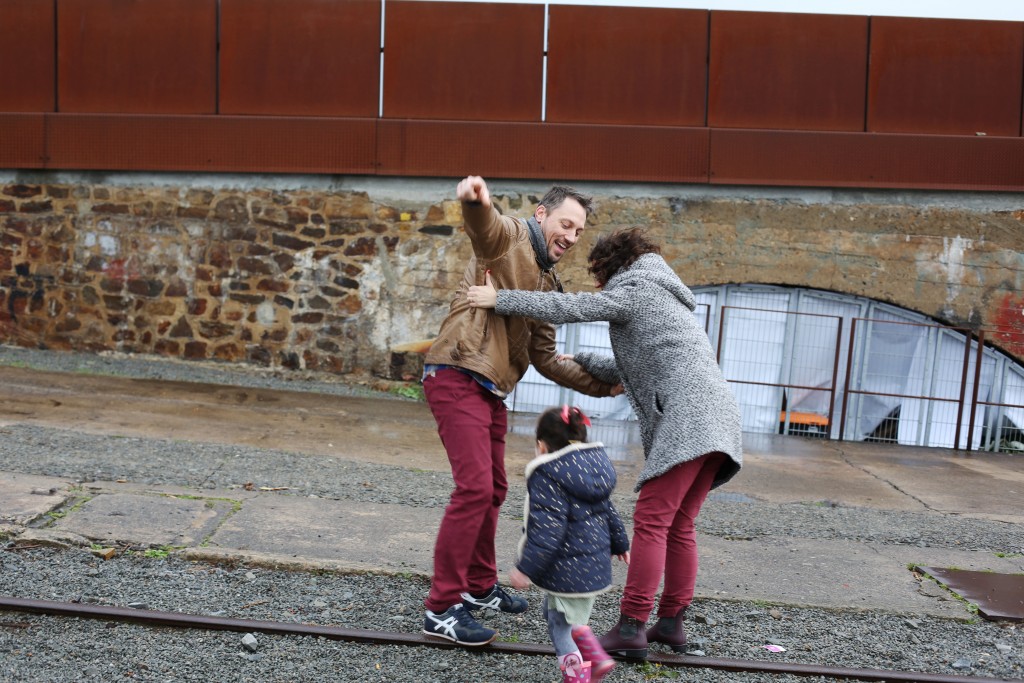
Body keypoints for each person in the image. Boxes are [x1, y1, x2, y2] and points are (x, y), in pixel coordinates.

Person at [467, 226, 743, 659]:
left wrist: (499, 300)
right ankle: (670, 624)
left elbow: (571, 306)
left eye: (598, 273)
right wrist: (579, 361)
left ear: (613, 265)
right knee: (680, 524)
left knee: (653, 522)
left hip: (690, 419)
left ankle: (632, 627)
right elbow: (633, 365)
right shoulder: (663, 293)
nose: (599, 284)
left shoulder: (636, 289)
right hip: (721, 419)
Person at [421, 176, 623, 647]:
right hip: (458, 371)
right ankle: (441, 608)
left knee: (492, 488)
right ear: (541, 215)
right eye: (566, 225)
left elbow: (548, 357)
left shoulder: (549, 283)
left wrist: (604, 386)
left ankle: (478, 586)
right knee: (473, 489)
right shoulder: (510, 237)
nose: (571, 238)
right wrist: (476, 203)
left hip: (490, 389)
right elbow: (484, 229)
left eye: (578, 232)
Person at [511, 405, 630, 683]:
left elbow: (547, 530)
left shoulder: (547, 474)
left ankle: (584, 667)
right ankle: (586, 648)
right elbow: (608, 510)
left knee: (562, 625)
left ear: (541, 446)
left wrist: (525, 568)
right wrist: (621, 542)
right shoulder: (592, 470)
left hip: (566, 567)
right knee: (553, 612)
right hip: (592, 566)